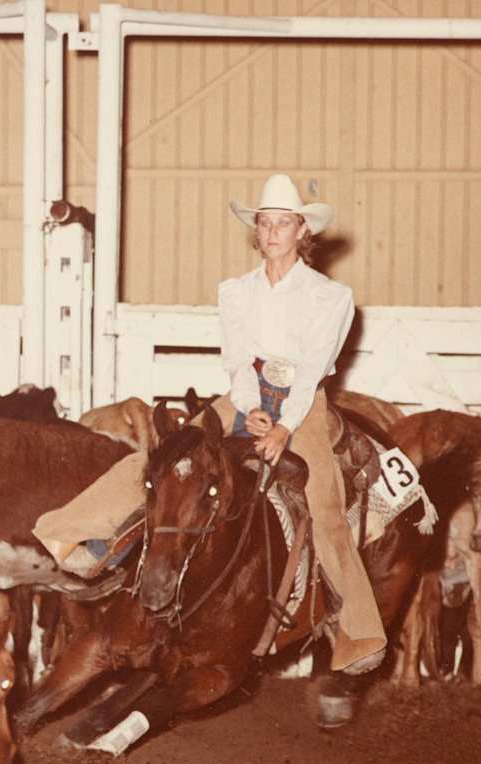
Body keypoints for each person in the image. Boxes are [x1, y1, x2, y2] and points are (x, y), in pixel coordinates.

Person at [203, 173, 386, 676]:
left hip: (302, 401)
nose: (273, 232)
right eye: (265, 223)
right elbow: (237, 359)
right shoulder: (235, 291)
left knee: (324, 503)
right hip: (250, 391)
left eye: (283, 223)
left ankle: (359, 633)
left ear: (302, 231)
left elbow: (311, 370)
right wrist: (246, 405)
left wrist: (283, 425)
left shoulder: (330, 296)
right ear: (256, 231)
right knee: (182, 452)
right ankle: (90, 540)